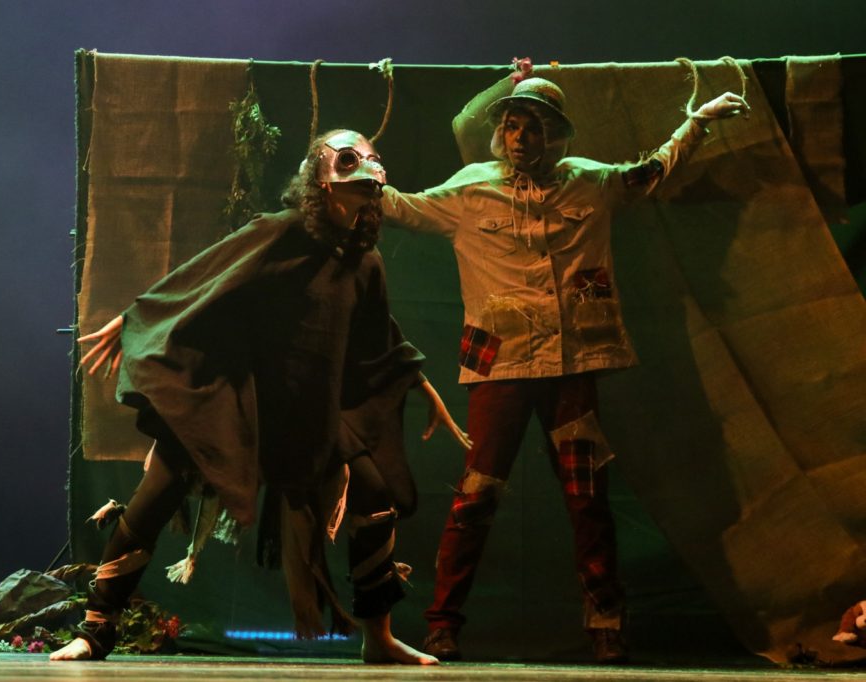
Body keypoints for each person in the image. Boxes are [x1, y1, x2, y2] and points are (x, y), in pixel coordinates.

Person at [49, 129, 471, 665]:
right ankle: (95, 630)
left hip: (310, 412)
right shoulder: (281, 231)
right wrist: (139, 317)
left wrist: (423, 385)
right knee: (159, 491)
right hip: (238, 401)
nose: (366, 174)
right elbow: (202, 279)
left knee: (375, 494)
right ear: (322, 179)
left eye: (372, 164)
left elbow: (379, 342)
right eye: (349, 162)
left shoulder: (364, 261)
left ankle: (379, 639)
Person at [380, 76, 750, 663]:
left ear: (555, 134)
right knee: (476, 495)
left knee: (587, 495)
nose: (519, 137)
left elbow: (650, 172)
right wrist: (349, 174)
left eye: (532, 127)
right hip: (501, 365)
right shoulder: (471, 189)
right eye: (511, 125)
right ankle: (442, 624)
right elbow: (401, 207)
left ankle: (606, 624)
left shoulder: (589, 181)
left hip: (572, 362)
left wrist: (696, 122)